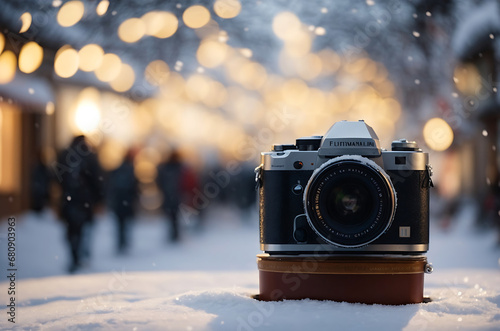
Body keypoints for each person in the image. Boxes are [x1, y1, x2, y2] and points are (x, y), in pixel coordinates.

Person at [54, 136, 103, 273]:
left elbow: (57, 177)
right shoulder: (90, 156)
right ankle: (81, 255)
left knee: (72, 229)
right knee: (83, 229)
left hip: (69, 200)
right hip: (84, 200)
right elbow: (97, 178)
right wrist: (98, 199)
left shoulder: (65, 155)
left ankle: (74, 255)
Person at [107, 150, 138, 254]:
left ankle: (121, 243)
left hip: (119, 201)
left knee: (120, 223)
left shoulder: (117, 170)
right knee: (126, 223)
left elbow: (110, 186)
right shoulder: (130, 170)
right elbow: (134, 187)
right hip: (126, 201)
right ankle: (124, 242)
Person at [156, 149, 185, 242]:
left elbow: (159, 182)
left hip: (168, 196)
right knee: (175, 216)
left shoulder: (165, 168)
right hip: (176, 196)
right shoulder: (180, 168)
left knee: (171, 216)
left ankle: (173, 234)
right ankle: (175, 234)